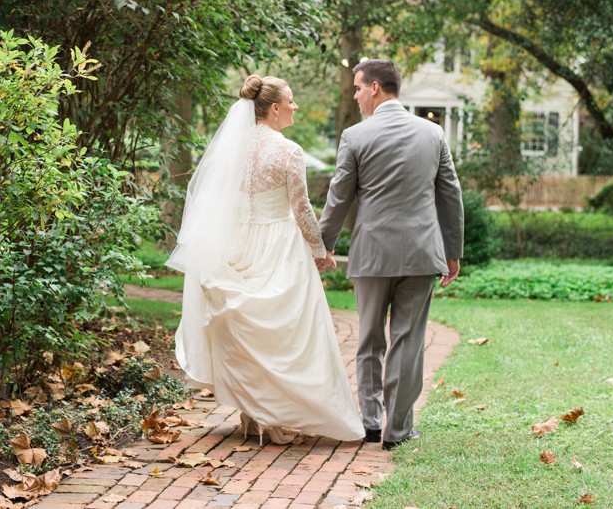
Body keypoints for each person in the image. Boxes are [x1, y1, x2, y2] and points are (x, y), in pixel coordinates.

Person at [167, 75, 364, 445]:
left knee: (243, 328)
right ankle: (274, 418)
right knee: (284, 334)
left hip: (238, 241)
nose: (295, 107)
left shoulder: (232, 149)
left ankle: (250, 413)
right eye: (291, 101)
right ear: (274, 109)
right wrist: (320, 251)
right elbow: (302, 209)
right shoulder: (287, 150)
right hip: (278, 243)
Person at [317, 58, 463, 451]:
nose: (355, 95)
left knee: (368, 339)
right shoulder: (433, 134)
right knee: (408, 340)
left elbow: (339, 198)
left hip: (372, 254)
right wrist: (453, 251)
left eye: (358, 88)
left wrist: (323, 244)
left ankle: (369, 423)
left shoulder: (355, 136)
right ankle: (397, 430)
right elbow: (450, 195)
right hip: (421, 252)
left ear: (376, 88)